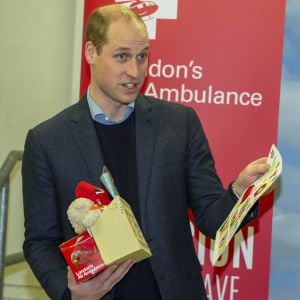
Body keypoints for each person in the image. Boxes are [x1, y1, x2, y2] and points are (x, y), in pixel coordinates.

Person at [22, 4, 270, 300]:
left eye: (142, 57)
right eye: (122, 56)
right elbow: (39, 241)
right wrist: (70, 294)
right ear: (91, 53)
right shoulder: (48, 140)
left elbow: (212, 220)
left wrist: (240, 191)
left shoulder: (179, 125)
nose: (135, 71)